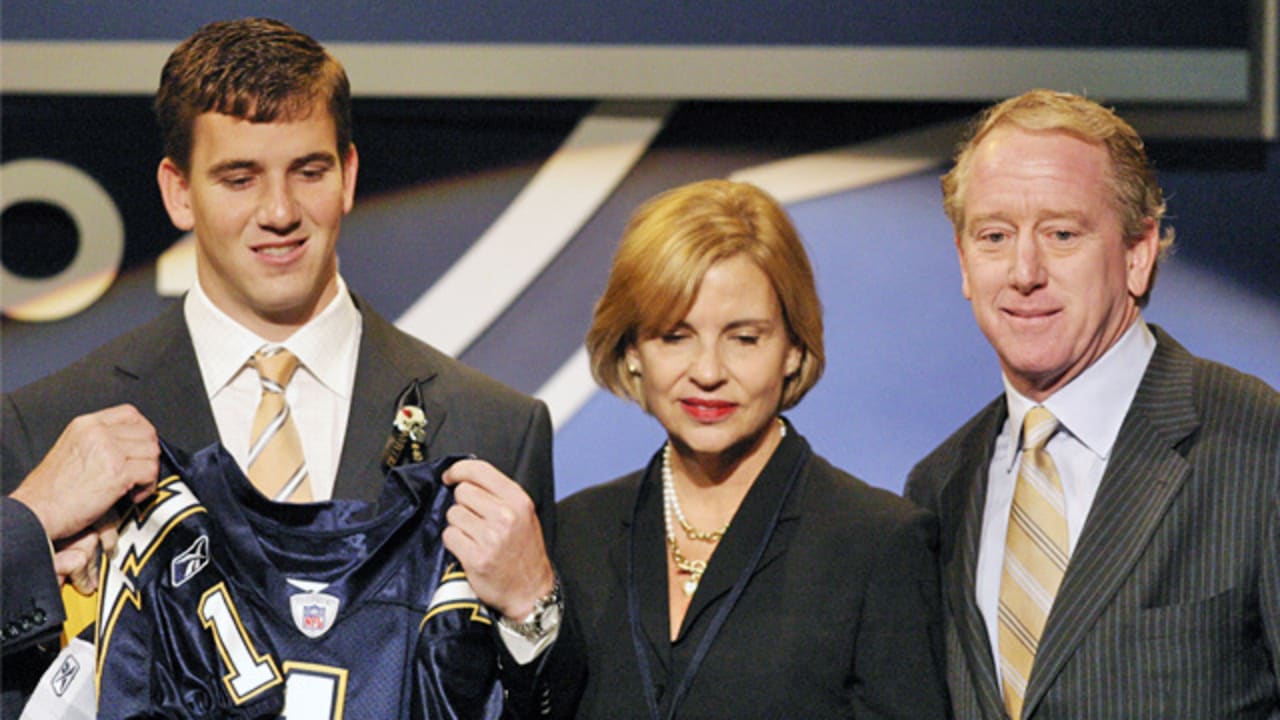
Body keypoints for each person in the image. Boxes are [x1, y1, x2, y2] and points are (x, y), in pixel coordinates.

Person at [1, 17, 567, 717]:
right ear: (179, 192)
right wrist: (25, 530)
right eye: (239, 178)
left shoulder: (495, 429)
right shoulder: (47, 427)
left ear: (348, 175)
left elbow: (541, 700)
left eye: (309, 171)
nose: (279, 211)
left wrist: (533, 618)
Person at [905, 89, 1280, 719]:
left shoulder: (1257, 446)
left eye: (1061, 233)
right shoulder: (938, 488)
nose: (1024, 271)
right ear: (965, 265)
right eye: (994, 235)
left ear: (1138, 254)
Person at [556, 179, 948, 718]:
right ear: (631, 351)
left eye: (744, 338)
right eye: (675, 336)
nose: (709, 373)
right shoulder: (574, 533)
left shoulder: (877, 544)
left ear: (792, 348)